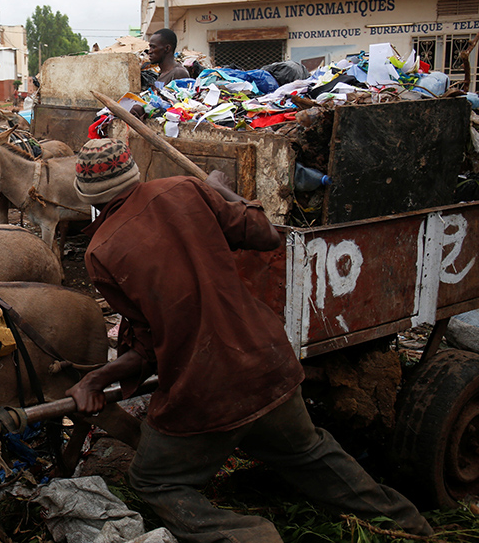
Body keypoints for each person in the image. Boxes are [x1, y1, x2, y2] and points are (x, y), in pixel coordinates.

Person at [65, 138, 433, 543]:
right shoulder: (186, 188)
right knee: (311, 454)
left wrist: (94, 379)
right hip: (267, 362)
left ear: (87, 196)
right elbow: (265, 235)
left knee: (152, 480)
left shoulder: (100, 252)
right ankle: (413, 527)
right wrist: (222, 191)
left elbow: (148, 346)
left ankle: (252, 536)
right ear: (134, 171)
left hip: (205, 391)